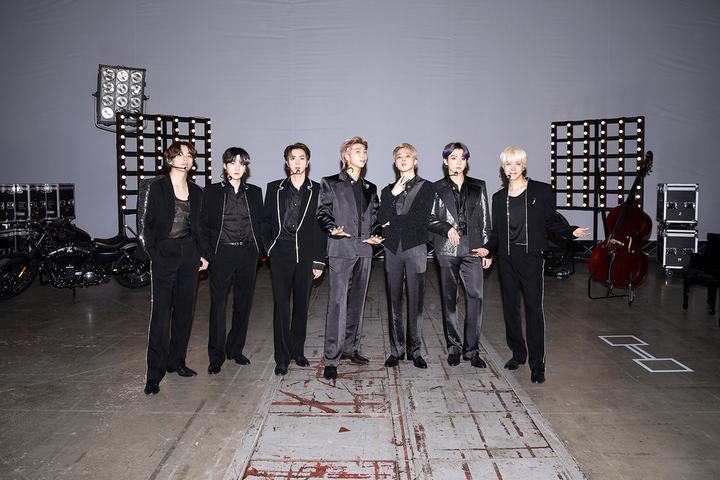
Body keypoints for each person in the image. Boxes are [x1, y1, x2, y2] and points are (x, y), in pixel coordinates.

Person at [486, 146, 589, 384]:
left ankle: (537, 364)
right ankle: (518, 354)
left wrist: (571, 231)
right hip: (507, 259)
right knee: (510, 309)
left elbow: (551, 221)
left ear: (523, 165)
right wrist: (488, 249)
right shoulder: (498, 198)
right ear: (503, 168)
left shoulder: (540, 191)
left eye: (517, 163)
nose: (512, 168)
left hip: (531, 258)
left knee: (534, 310)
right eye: (508, 164)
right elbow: (496, 233)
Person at [141, 141, 208, 395]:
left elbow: (199, 226)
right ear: (170, 159)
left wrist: (202, 254)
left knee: (184, 313)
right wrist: (153, 253)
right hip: (164, 254)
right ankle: (153, 375)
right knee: (160, 316)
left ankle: (176, 361)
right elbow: (144, 224)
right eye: (180, 155)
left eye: (189, 155)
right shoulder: (154, 187)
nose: (185, 159)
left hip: (189, 254)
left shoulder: (197, 191)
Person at [316, 136, 382, 380]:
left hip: (364, 250)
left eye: (364, 151)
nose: (362, 155)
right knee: (337, 303)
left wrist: (377, 235)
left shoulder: (370, 187)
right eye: (357, 151)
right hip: (341, 249)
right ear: (345, 155)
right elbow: (323, 211)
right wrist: (332, 227)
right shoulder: (331, 182)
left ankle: (350, 348)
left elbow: (375, 219)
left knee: (357, 302)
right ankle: (331, 358)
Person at [262, 143, 326, 376]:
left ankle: (297, 352)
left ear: (307, 162)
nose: (297, 162)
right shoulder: (274, 188)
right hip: (280, 254)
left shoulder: (318, 190)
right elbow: (265, 221)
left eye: (301, 158)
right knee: (281, 306)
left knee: (301, 306)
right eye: (293, 158)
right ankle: (281, 357)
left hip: (306, 256)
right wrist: (270, 248)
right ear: (286, 162)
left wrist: (319, 260)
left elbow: (322, 227)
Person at [428, 142, 492, 369]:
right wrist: (446, 228)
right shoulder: (435, 188)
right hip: (447, 249)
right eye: (453, 158)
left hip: (473, 249)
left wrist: (488, 249)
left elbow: (485, 220)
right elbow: (429, 219)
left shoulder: (478, 186)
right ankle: (454, 348)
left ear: (466, 161)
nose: (458, 162)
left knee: (476, 296)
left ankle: (472, 350)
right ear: (445, 161)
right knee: (450, 299)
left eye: (462, 158)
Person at [199, 147, 264, 375]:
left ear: (245, 168)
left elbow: (260, 224)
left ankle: (235, 349)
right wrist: (208, 253)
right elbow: (202, 225)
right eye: (233, 162)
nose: (237, 167)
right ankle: (216, 356)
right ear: (225, 166)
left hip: (247, 254)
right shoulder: (211, 192)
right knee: (218, 306)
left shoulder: (255, 192)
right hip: (222, 254)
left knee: (243, 304)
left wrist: (259, 250)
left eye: (241, 163)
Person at [377, 143, 436, 369]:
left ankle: (415, 351)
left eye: (407, 156)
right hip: (392, 249)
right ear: (395, 162)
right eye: (399, 157)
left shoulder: (427, 187)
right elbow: (381, 219)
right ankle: (396, 350)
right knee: (394, 301)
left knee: (416, 300)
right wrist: (392, 197)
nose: (403, 159)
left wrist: (392, 221)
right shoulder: (387, 190)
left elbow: (420, 219)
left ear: (415, 160)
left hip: (415, 247)